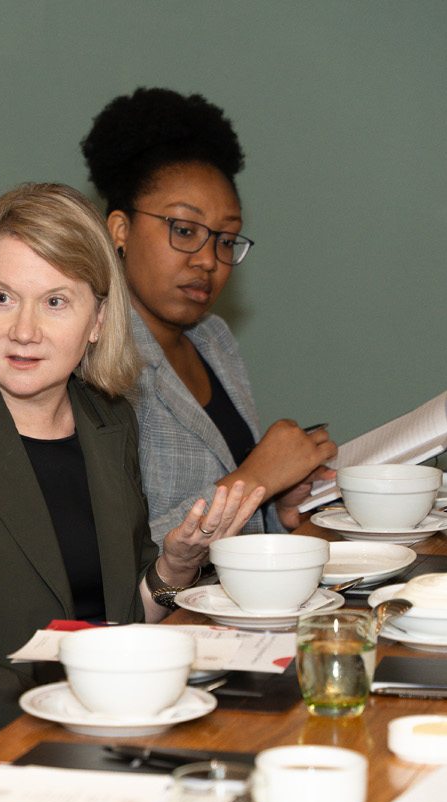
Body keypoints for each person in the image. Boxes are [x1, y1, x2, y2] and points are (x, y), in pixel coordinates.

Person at [0, 183, 264, 765]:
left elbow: (115, 624)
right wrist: (68, 724)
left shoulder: (109, 421)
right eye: (2, 297)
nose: (24, 330)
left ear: (98, 319)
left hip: (93, 727)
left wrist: (174, 566)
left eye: (54, 302)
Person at [81, 87, 336, 546]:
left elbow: (234, 509)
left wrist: (278, 505)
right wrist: (255, 478)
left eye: (225, 240)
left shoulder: (213, 339)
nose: (208, 260)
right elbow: (113, 555)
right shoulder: (92, 360)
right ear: (120, 230)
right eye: (184, 230)